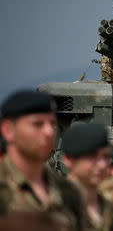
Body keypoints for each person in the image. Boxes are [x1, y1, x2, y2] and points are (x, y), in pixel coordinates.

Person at [0, 90, 85, 230]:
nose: (49, 132)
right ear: (8, 130)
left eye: (52, 123)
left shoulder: (68, 192)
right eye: (37, 124)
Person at [61, 122, 113, 230]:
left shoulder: (112, 210)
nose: (102, 165)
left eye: (106, 157)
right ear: (68, 159)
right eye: (91, 156)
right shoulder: (53, 207)